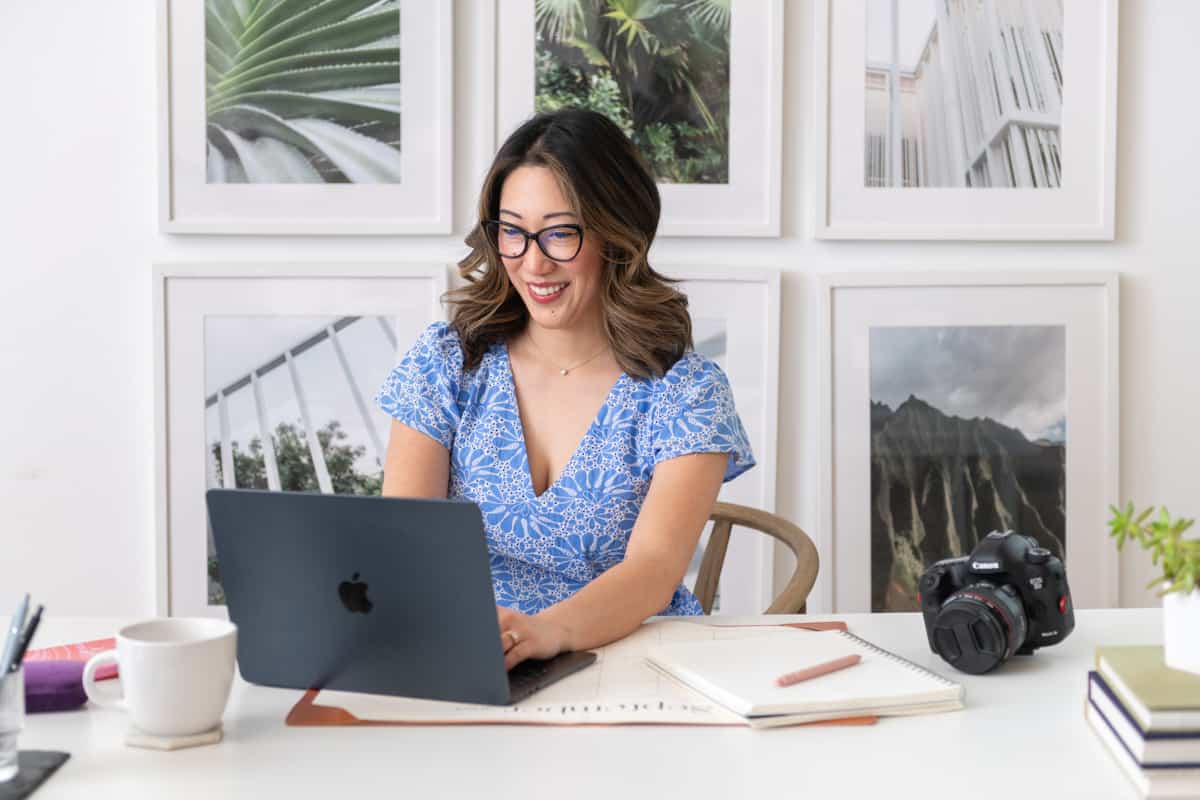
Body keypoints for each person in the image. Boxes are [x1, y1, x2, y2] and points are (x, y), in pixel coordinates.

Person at [376, 109, 754, 669]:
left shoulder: (685, 392)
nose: (533, 262)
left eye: (559, 233)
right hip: (472, 659)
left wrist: (547, 632)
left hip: (632, 660)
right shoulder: (448, 363)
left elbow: (652, 570)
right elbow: (404, 542)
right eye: (512, 231)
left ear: (615, 233)